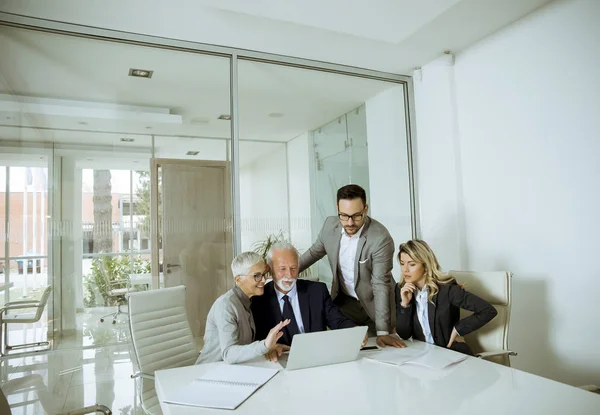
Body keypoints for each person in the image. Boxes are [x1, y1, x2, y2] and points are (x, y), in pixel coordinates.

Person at [299, 184, 404, 348]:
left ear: (366, 209)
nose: (349, 222)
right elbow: (314, 253)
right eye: (344, 216)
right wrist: (285, 270)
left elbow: (380, 284)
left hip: (374, 305)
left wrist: (383, 331)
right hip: (345, 304)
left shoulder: (380, 238)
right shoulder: (329, 226)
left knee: (378, 352)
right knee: (345, 351)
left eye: (356, 216)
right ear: (337, 209)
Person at [252, 242, 364, 356]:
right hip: (280, 359)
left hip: (316, 357)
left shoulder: (317, 291)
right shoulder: (258, 299)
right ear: (269, 269)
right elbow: (256, 338)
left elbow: (338, 321)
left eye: (293, 268)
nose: (289, 275)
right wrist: (267, 347)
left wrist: (354, 329)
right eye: (282, 269)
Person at [395, 240, 498, 355]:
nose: (405, 269)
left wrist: (458, 329)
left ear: (426, 265)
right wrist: (405, 304)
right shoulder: (403, 290)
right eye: (402, 263)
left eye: (412, 264)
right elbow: (404, 334)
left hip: (451, 354)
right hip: (424, 356)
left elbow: (488, 310)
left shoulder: (447, 290)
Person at [196, 252, 290, 364]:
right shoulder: (226, 305)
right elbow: (228, 354)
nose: (264, 280)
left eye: (263, 274)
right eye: (257, 276)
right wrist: (264, 345)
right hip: (209, 371)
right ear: (238, 279)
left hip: (234, 369)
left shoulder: (249, 301)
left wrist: (270, 347)